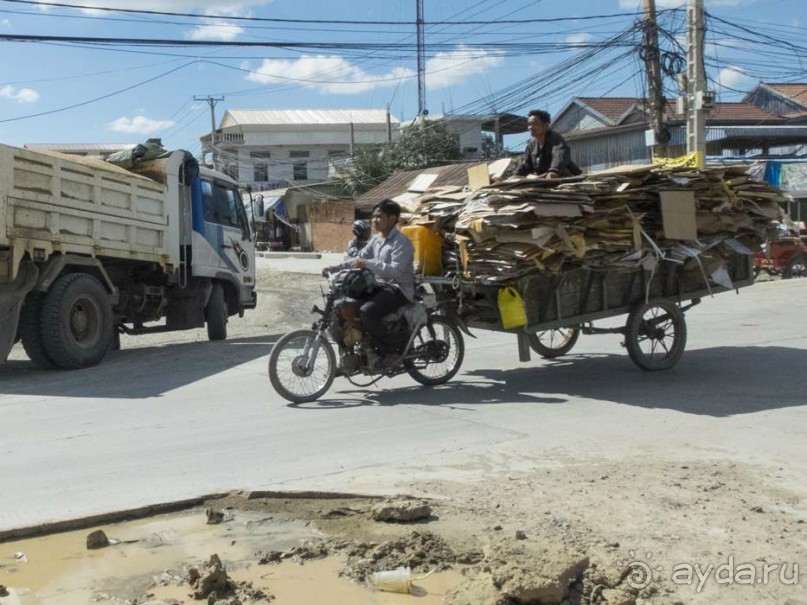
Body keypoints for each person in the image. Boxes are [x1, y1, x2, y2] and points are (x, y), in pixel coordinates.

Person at [323, 199, 415, 369]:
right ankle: (352, 358)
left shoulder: (401, 242)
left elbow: (396, 271)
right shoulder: (377, 240)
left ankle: (391, 353)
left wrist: (368, 264)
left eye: (379, 217)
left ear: (392, 218)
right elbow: (357, 259)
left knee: (367, 312)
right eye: (373, 217)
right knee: (345, 306)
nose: (374, 220)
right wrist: (334, 268)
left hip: (399, 289)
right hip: (379, 286)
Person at [516, 109, 582, 179]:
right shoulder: (531, 144)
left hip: (563, 176)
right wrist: (517, 175)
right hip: (542, 178)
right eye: (529, 124)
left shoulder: (555, 138)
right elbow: (526, 164)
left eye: (535, 124)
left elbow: (559, 155)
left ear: (546, 125)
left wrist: (554, 170)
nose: (531, 127)